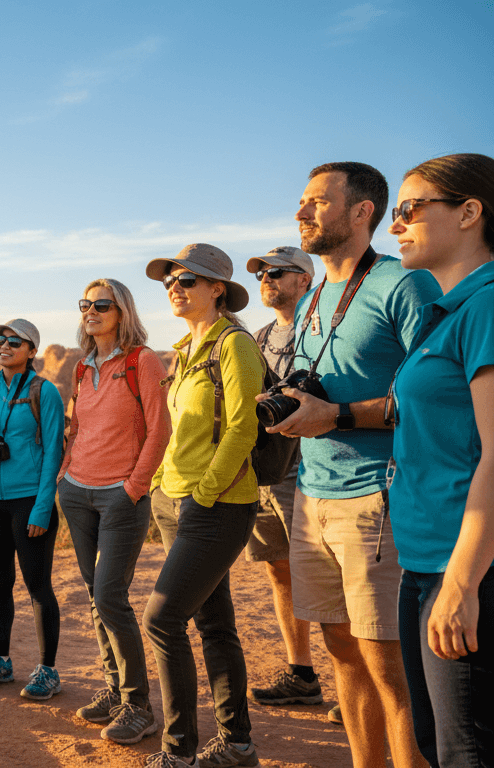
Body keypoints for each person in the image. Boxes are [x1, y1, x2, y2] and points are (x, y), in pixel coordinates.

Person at [266, 162, 441, 768]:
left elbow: (435, 399)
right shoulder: (313, 297)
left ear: (362, 211)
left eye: (317, 201)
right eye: (302, 200)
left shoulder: (403, 285)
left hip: (379, 498)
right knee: (342, 653)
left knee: (390, 668)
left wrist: (336, 416)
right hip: (314, 494)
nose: (301, 212)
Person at [387, 152, 494, 767]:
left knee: (467, 753)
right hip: (425, 564)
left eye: (409, 209)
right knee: (438, 746)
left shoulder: (485, 307)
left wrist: (462, 581)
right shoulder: (447, 312)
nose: (395, 224)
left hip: (466, 567)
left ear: (470, 212)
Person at [143, 244, 261, 768]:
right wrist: (161, 486)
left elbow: (243, 427)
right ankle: (237, 744)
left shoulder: (233, 344)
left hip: (216, 504)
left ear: (217, 289)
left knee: (163, 621)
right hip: (176, 501)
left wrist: (204, 493)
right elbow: (179, 432)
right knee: (213, 622)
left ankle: (177, 752)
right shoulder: (186, 348)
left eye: (188, 280)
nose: (175, 287)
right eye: (170, 280)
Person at [57, 279, 170, 744]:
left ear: (121, 311)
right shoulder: (83, 368)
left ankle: (138, 705)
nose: (91, 311)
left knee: (110, 596)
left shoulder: (142, 360)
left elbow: (161, 428)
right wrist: (65, 473)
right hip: (78, 491)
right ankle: (113, 689)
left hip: (120, 496)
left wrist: (134, 487)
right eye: (85, 304)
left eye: (101, 305)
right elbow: (78, 425)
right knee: (94, 594)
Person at [0, 319, 66, 702]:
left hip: (27, 503)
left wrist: (41, 508)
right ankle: (1, 660)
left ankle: (48, 670)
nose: (3, 345)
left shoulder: (44, 392)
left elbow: (54, 452)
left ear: (31, 350)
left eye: (13, 341)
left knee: (38, 587)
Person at [240, 247, 328, 713]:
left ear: (305, 279)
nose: (267, 280)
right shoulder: (257, 337)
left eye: (277, 272)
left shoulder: (324, 326)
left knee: (330, 573)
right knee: (279, 568)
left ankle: (360, 684)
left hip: (314, 466)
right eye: (261, 274)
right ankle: (302, 673)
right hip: (268, 470)